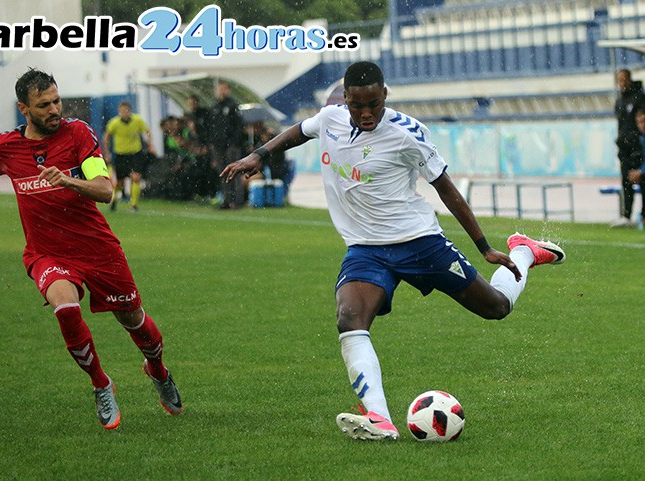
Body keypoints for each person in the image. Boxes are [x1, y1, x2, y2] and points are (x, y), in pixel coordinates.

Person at [221, 61, 566, 441]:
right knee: (349, 318)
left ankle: (524, 252)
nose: (366, 113)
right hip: (366, 250)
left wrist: (485, 247)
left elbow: (446, 189)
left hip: (420, 243)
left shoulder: (408, 135)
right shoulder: (330, 118)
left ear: (385, 95)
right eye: (357, 105)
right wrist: (259, 154)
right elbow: (297, 132)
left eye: (374, 104)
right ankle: (380, 420)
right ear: (346, 100)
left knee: (496, 307)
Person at [0, 68, 182, 430]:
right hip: (47, 253)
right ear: (24, 109)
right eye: (43, 105)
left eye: (56, 100)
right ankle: (101, 383)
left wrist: (67, 179)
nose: (54, 110)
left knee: (134, 320)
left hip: (97, 250)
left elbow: (105, 189)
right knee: (65, 307)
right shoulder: (4, 147)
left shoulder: (79, 134)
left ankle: (158, 370)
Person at [103, 101, 156, 212]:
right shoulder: (114, 123)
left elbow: (148, 132)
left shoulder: (137, 120)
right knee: (119, 182)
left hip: (135, 154)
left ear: (130, 111)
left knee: (136, 177)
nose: (124, 113)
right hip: (120, 155)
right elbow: (107, 136)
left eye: (126, 110)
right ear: (119, 111)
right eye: (122, 111)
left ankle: (134, 204)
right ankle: (114, 200)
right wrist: (107, 152)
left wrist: (151, 145)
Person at [612, 69, 645, 227]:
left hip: (638, 148)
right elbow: (620, 126)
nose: (622, 83)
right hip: (625, 149)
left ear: (630, 79)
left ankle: (643, 215)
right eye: (619, 80)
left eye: (624, 79)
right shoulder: (619, 101)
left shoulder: (639, 97)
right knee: (626, 181)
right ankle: (626, 216)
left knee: (643, 180)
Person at [210, 80, 245, 208]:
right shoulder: (215, 107)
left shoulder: (232, 106)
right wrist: (212, 143)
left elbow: (238, 126)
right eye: (219, 89)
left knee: (235, 172)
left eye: (223, 89)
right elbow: (212, 127)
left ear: (228, 90)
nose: (221, 91)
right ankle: (226, 200)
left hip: (231, 146)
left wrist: (234, 143)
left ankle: (237, 201)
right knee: (223, 173)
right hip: (218, 146)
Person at [626, 107, 645, 228]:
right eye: (639, 122)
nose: (641, 125)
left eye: (643, 121)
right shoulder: (641, 138)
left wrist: (640, 171)